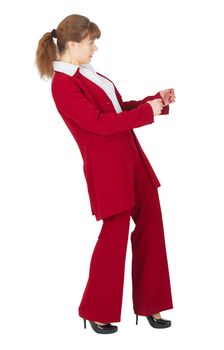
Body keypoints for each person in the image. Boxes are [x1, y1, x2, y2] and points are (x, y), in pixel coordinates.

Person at [35, 13, 176, 335]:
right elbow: (97, 125)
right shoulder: (64, 85)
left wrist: (153, 102)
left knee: (152, 227)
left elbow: (115, 111)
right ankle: (97, 310)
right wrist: (145, 114)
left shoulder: (90, 75)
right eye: (90, 42)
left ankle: (152, 304)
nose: (95, 48)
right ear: (72, 44)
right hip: (108, 170)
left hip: (133, 159)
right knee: (113, 239)